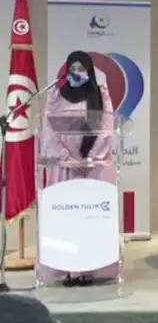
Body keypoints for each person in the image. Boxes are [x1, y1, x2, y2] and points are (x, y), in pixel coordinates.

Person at [39, 51, 117, 286]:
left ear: (90, 71)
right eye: (72, 68)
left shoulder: (100, 94)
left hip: (93, 168)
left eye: (81, 68)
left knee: (90, 220)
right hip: (63, 168)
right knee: (67, 221)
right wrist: (67, 159)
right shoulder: (56, 95)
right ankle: (67, 269)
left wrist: (90, 159)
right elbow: (48, 131)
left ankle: (89, 269)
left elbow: (107, 128)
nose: (77, 73)